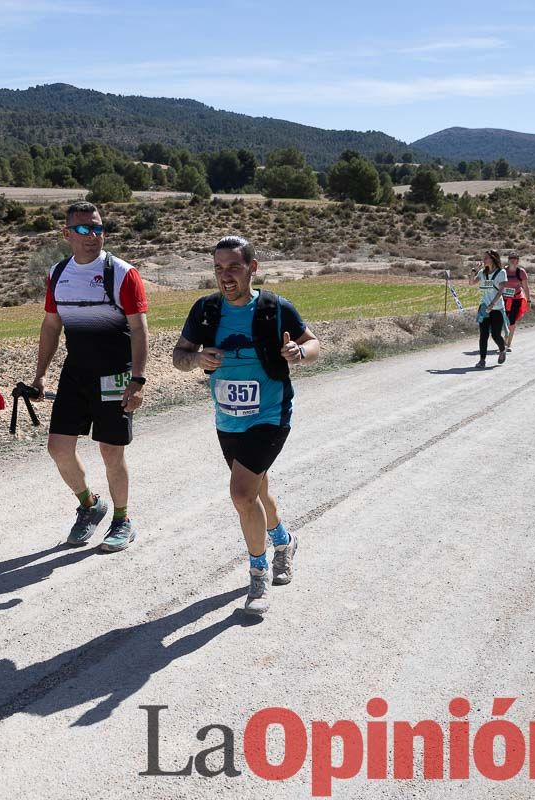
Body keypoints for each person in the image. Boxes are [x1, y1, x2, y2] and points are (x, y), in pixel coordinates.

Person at [172, 236, 319, 615]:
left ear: (252, 268)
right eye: (219, 268)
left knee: (240, 494)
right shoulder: (205, 310)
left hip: (271, 414)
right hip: (228, 419)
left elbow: (314, 344)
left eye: (234, 267)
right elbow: (179, 356)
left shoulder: (275, 308)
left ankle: (258, 574)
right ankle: (284, 542)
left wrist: (299, 352)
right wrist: (198, 360)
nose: (226, 276)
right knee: (257, 491)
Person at [31, 201, 148, 552]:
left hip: (115, 376)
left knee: (112, 451)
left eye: (97, 228)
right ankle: (89, 505)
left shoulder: (123, 273)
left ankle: (123, 520)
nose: (92, 235)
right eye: (83, 229)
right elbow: (52, 325)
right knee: (58, 448)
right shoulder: (57, 274)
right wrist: (39, 375)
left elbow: (139, 329)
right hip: (76, 372)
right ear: (66, 234)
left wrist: (138, 380)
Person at [468, 249, 508, 368]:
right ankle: (482, 360)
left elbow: (501, 290)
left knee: (495, 334)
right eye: (483, 258)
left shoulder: (501, 273)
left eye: (486, 258)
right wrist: (473, 271)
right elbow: (471, 283)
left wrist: (492, 304)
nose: (483, 260)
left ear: (493, 259)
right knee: (483, 335)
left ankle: (502, 349)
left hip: (497, 308)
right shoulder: (482, 273)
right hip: (484, 307)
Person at [502, 253, 530, 349]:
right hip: (504, 298)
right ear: (508, 260)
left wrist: (528, 300)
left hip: (516, 299)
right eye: (511, 258)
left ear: (518, 260)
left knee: (511, 320)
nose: (513, 260)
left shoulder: (521, 272)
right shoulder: (503, 271)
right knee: (503, 320)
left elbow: (526, 287)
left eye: (515, 258)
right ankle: (504, 340)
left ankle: (508, 343)